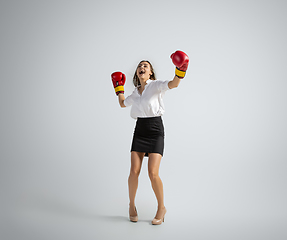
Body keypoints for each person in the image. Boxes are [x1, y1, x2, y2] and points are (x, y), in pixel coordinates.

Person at [111, 50, 189, 225]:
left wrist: (181, 70)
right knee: (134, 171)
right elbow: (123, 103)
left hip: (155, 130)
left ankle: (161, 208)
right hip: (140, 130)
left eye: (145, 66)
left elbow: (174, 84)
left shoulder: (156, 85)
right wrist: (118, 87)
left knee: (153, 173)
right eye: (139, 66)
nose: (141, 67)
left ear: (150, 72)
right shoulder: (136, 92)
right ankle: (132, 205)